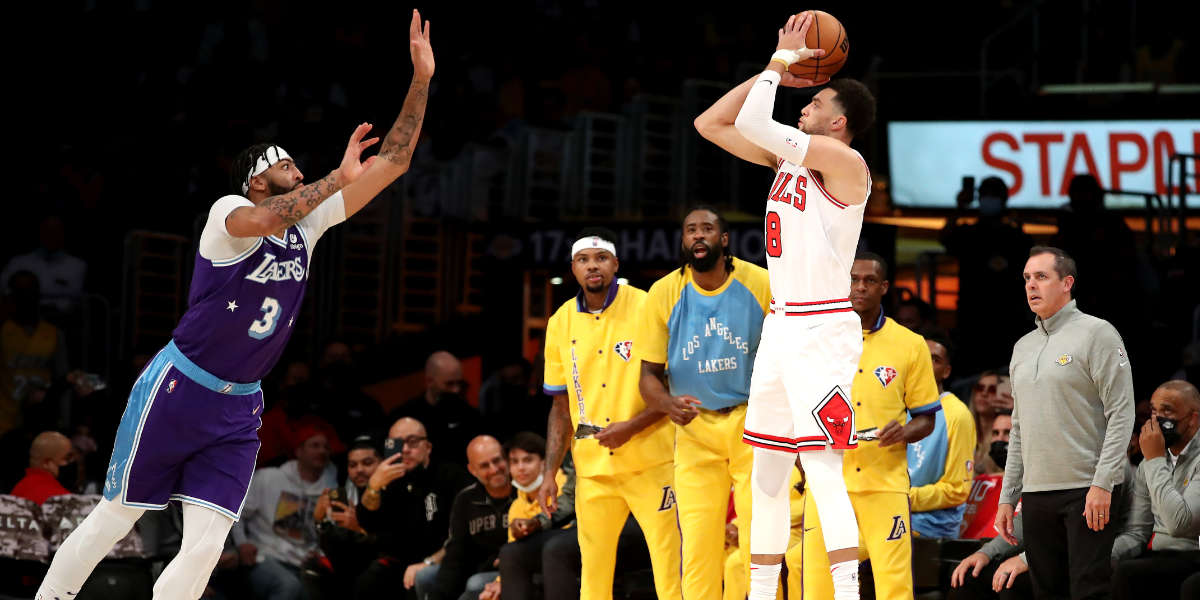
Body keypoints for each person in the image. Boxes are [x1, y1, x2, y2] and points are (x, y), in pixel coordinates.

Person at [34, 14, 435, 600]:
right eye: (285, 164)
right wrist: (331, 178)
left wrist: (421, 80)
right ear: (256, 178)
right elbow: (272, 216)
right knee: (117, 516)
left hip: (241, 405)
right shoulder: (229, 215)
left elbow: (394, 162)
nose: (296, 169)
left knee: (205, 544)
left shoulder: (310, 220)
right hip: (180, 386)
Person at [694, 11, 878, 600]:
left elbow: (754, 120)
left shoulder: (846, 165)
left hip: (822, 326)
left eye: (816, 102)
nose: (805, 106)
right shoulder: (790, 160)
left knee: (821, 465)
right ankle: (759, 590)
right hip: (781, 326)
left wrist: (782, 62)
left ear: (840, 122)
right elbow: (712, 122)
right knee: (768, 469)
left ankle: (847, 591)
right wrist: (776, 77)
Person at [539, 227, 681, 600]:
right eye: (583, 260)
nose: (593, 267)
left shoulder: (647, 306)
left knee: (671, 568)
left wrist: (631, 427)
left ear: (615, 264)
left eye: (600, 259)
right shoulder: (560, 322)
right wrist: (549, 473)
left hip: (652, 462)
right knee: (594, 577)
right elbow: (559, 405)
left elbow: (674, 387)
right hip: (592, 469)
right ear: (573, 269)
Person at [637, 205, 771, 600]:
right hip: (694, 426)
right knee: (697, 543)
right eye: (691, 230)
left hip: (751, 420)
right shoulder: (664, 292)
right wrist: (667, 404)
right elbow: (648, 375)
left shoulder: (760, 283)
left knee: (756, 534)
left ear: (723, 240)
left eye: (707, 229)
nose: (699, 236)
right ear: (683, 241)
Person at [997, 246, 1135, 600]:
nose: (1031, 286)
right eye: (1027, 278)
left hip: (1087, 488)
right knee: (1046, 592)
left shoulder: (1098, 333)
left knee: (1088, 591)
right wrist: (1007, 497)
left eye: (1041, 277)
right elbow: (1019, 427)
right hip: (1037, 491)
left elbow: (1122, 412)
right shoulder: (1022, 347)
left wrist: (1104, 483)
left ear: (1067, 283)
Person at [798, 252, 938, 600]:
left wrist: (904, 432)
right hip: (828, 479)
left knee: (894, 585)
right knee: (817, 583)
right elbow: (797, 408)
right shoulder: (817, 340)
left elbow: (926, 416)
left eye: (869, 281)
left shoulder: (909, 344)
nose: (859, 287)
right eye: (853, 279)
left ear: (884, 287)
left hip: (885, 483)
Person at [355, 417, 472, 600]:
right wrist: (374, 487)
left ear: (428, 447)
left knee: (419, 579)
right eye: (396, 443)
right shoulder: (389, 480)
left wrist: (428, 562)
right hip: (403, 561)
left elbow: (463, 534)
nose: (404, 450)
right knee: (369, 579)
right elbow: (367, 523)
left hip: (444, 559)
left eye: (412, 442)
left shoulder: (451, 476)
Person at [1111, 380, 1200, 600]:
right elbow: (1137, 533)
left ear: (1193, 419)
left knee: (1131, 575)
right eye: (1153, 410)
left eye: (1167, 411)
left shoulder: (1153, 460)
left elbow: (1180, 524)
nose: (1156, 419)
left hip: (1193, 553)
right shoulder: (1149, 464)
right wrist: (1101, 557)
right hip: (1159, 556)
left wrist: (1154, 460)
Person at [940, 176, 1034, 375]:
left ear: (1004, 199)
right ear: (979, 198)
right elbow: (945, 238)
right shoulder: (968, 232)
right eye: (986, 195)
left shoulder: (1015, 235)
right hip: (973, 318)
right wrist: (960, 207)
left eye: (995, 195)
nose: (990, 199)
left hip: (1007, 319)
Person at [235, 428, 338, 600]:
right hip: (264, 555)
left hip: (303, 562)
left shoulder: (331, 491)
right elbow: (237, 513)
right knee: (289, 587)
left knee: (313, 592)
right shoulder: (269, 478)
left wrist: (319, 553)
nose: (322, 451)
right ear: (298, 451)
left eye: (326, 447)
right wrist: (242, 543)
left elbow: (328, 533)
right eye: (315, 445)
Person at [494, 432, 576, 600]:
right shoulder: (516, 505)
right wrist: (499, 581)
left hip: (569, 544)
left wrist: (535, 524)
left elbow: (568, 519)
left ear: (544, 463)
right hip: (541, 560)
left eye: (528, 460)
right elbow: (516, 546)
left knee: (554, 547)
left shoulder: (561, 482)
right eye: (514, 462)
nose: (521, 468)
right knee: (508, 553)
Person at [431, 436, 514, 600]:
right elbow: (456, 551)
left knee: (475, 584)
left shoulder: (524, 491)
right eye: (484, 465)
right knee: (425, 577)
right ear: (472, 470)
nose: (494, 469)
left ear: (506, 458)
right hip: (479, 568)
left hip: (516, 568)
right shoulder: (465, 499)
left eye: (497, 460)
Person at [909, 336, 976, 539]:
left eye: (935, 359)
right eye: (920, 356)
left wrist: (899, 498)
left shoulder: (957, 414)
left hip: (927, 528)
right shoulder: (895, 407)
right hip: (889, 517)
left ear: (946, 371)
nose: (925, 363)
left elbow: (957, 489)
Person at [0, 270, 69, 436]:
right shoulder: (3, 331)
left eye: (30, 292)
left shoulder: (53, 334)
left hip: (41, 422)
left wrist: (64, 421)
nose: (26, 297)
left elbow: (62, 379)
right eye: (20, 292)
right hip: (5, 421)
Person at [314, 434, 382, 592]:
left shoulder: (395, 491)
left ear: (381, 463)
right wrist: (320, 520)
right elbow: (332, 546)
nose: (359, 470)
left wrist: (360, 529)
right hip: (353, 562)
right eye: (352, 465)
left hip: (385, 561)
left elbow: (397, 542)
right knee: (315, 568)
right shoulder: (346, 493)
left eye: (367, 463)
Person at [388, 351, 481, 466]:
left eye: (459, 384)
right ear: (429, 381)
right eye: (449, 384)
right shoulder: (403, 416)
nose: (456, 390)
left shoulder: (472, 417)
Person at [0, 215, 87, 314]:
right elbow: (5, 290)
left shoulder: (77, 265)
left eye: (56, 230)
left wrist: (28, 292)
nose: (51, 234)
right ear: (40, 232)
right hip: (21, 318)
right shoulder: (18, 262)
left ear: (63, 233)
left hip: (59, 319)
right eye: (47, 230)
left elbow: (73, 296)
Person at [959, 411, 1012, 539]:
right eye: (995, 433)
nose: (1000, 439)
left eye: (1007, 433)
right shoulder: (980, 482)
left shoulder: (1028, 487)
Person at [10, 431, 74, 504]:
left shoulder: (20, 486)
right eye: (67, 458)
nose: (72, 462)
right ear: (47, 463)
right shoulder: (58, 496)